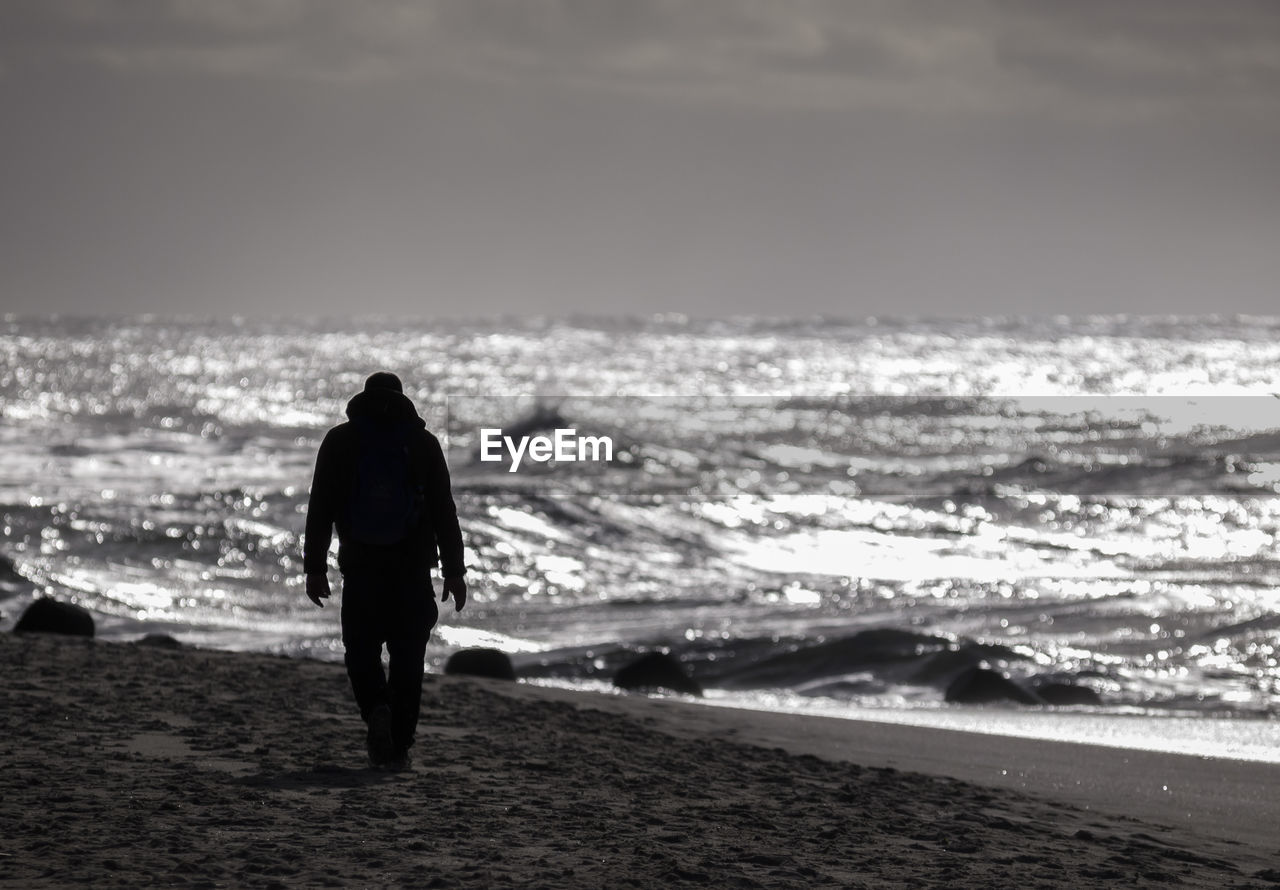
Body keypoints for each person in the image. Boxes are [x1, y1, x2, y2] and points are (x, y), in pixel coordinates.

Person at [303, 371, 467, 768]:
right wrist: (455, 571)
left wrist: (314, 567)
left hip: (361, 566)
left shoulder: (340, 441)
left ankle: (377, 708)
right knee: (408, 658)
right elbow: (445, 510)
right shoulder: (423, 443)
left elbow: (320, 507)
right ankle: (401, 745)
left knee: (360, 649)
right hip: (411, 570)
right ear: (401, 398)